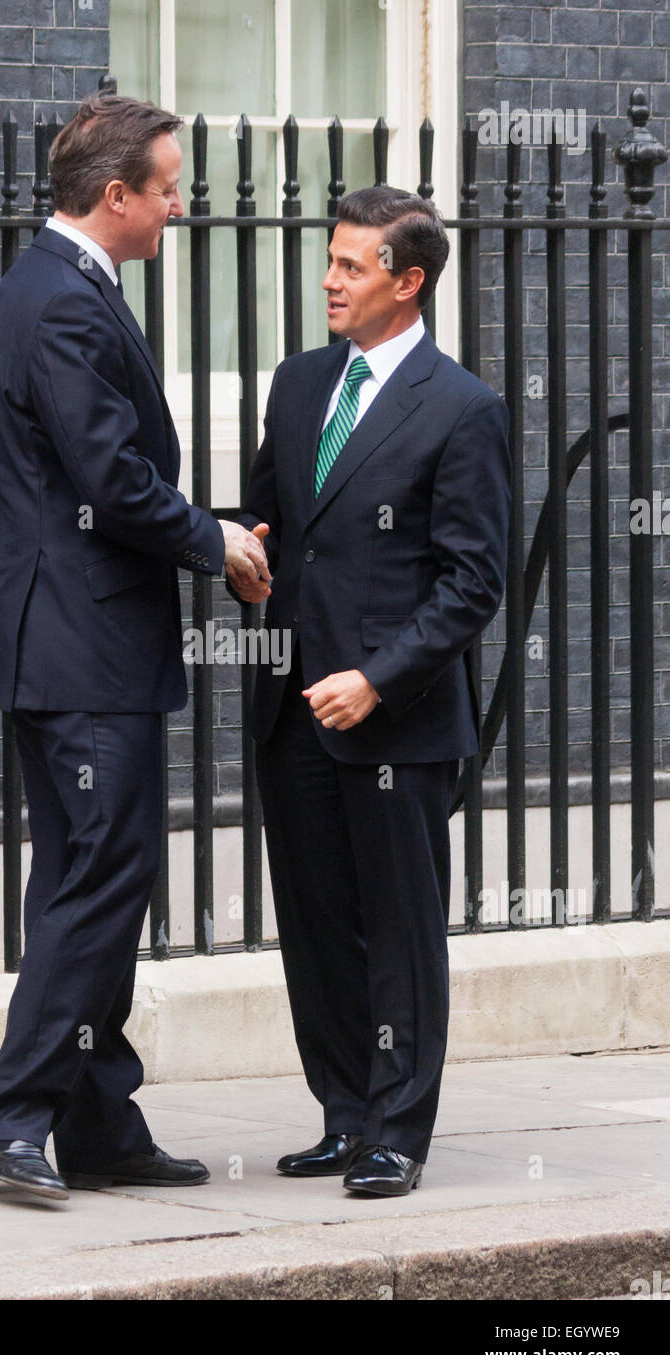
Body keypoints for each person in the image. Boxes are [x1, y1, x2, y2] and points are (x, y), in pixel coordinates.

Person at [0, 95, 269, 1200]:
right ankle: (10, 1116)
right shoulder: (62, 305)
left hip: (68, 639)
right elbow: (112, 481)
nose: (179, 205)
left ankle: (94, 1118)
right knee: (99, 878)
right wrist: (216, 542)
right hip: (82, 644)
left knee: (90, 877)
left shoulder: (56, 287)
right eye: (168, 186)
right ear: (114, 196)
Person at [230, 186, 511, 1196]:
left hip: (394, 721)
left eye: (350, 265)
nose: (328, 281)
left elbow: (472, 581)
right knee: (312, 922)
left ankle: (397, 1127)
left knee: (396, 927)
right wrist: (237, 556)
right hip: (291, 708)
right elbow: (268, 519)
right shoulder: (299, 384)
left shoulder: (462, 407)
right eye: (330, 260)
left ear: (408, 279)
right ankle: (345, 1112)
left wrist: (378, 678)